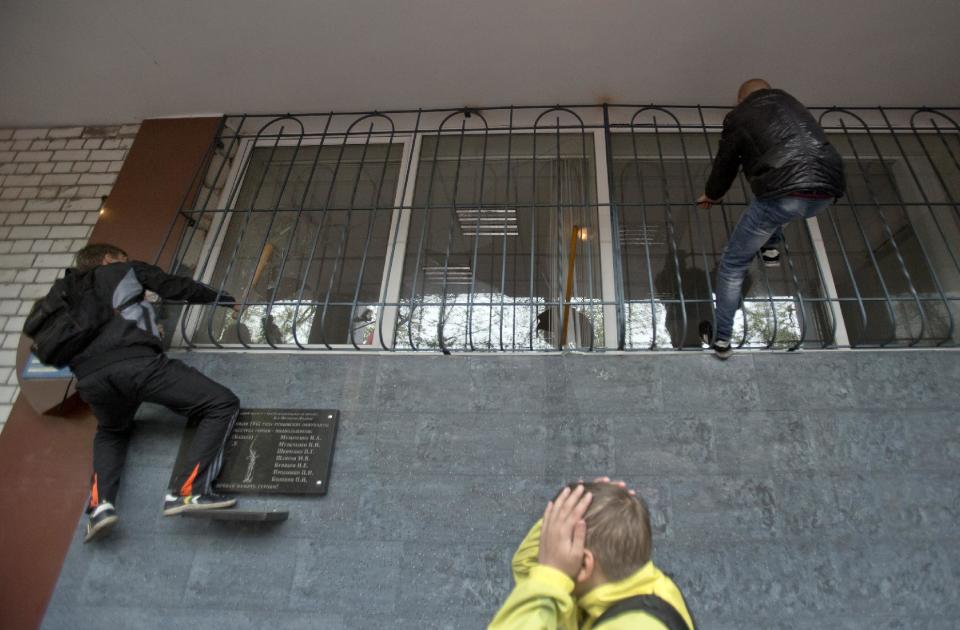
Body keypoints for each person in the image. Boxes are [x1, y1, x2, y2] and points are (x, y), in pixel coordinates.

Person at [65, 243, 242, 542]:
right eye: (123, 256)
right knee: (221, 403)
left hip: (90, 377)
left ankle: (99, 508)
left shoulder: (65, 295)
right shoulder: (123, 269)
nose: (127, 261)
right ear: (109, 259)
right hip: (136, 364)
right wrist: (224, 298)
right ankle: (187, 492)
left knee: (111, 431)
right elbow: (175, 286)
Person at [696, 78, 845, 359]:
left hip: (785, 193)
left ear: (740, 100)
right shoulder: (794, 105)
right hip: (826, 191)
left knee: (732, 263)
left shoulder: (740, 116)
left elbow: (726, 162)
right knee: (773, 213)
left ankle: (722, 340)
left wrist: (712, 195)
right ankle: (771, 249)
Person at [489, 479, 694, 629]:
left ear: (585, 564)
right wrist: (567, 512)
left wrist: (552, 573)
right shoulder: (647, 584)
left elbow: (537, 581)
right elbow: (527, 567)